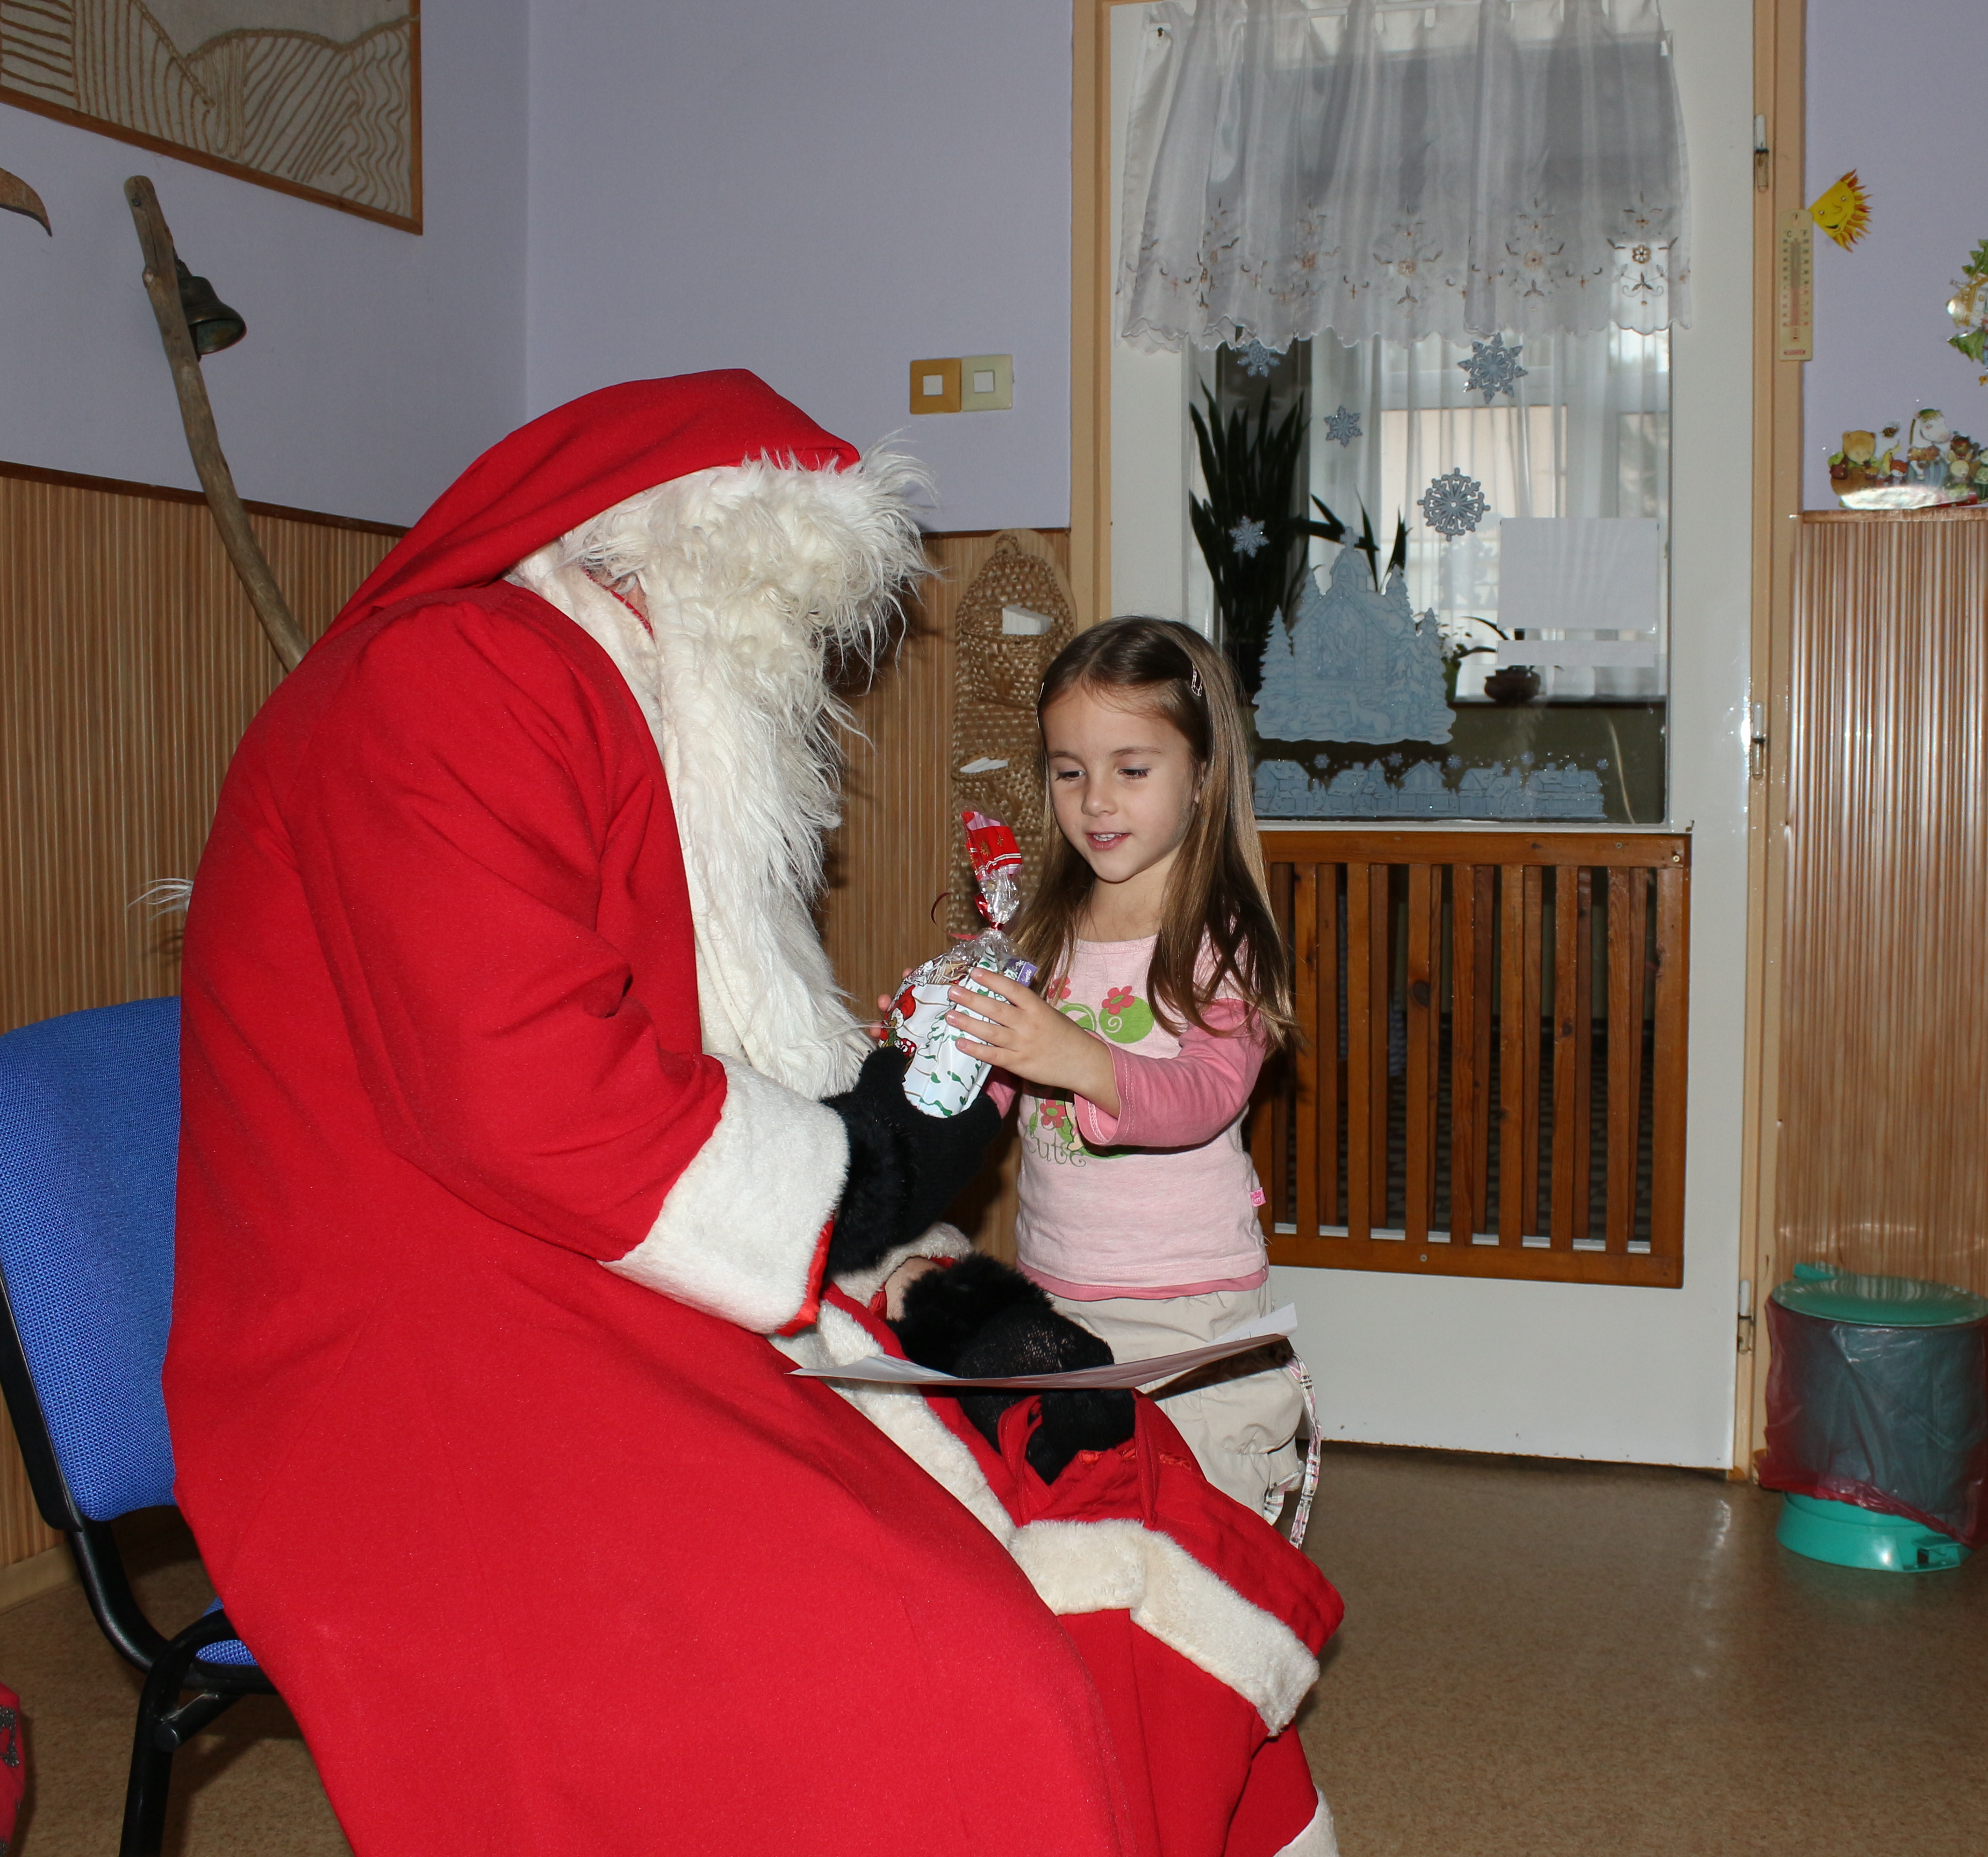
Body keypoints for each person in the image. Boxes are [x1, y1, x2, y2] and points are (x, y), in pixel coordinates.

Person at [168, 373, 1336, 1857]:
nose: (800, 674)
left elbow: (647, 1049)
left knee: (1082, 1458)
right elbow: (530, 1098)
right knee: (954, 1662)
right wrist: (869, 1161)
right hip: (428, 1337)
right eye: (785, 624)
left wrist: (874, 1126)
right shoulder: (458, 679)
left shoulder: (590, 695)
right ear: (693, 567)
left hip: (565, 1262)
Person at [945, 618, 1308, 1518]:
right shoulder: (1042, 929)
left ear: (1203, 774)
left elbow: (1205, 1095)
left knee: (1200, 1528)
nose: (1096, 801)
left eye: (1132, 770)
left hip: (1188, 1306)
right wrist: (936, 1049)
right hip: (1055, 1288)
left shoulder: (1220, 938)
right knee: (1076, 1519)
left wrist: (1081, 1059)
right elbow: (999, 1079)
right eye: (1069, 772)